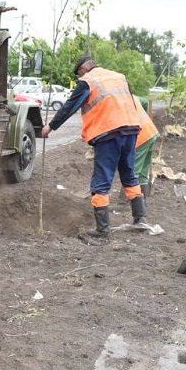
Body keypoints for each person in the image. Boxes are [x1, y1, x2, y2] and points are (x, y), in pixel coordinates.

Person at [40, 56, 146, 242]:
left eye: (79, 72)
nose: (80, 76)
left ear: (83, 69)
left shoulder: (88, 81)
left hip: (108, 133)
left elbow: (70, 106)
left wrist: (50, 126)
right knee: (129, 173)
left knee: (102, 180)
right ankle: (140, 219)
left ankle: (103, 229)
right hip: (131, 129)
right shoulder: (118, 76)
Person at [132, 95, 160, 197]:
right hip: (150, 132)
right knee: (143, 170)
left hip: (140, 136)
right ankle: (143, 198)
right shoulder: (131, 96)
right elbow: (144, 102)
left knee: (133, 170)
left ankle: (124, 203)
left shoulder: (116, 101)